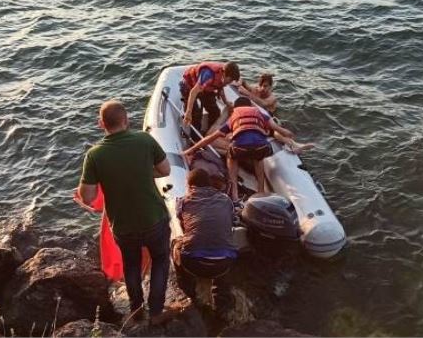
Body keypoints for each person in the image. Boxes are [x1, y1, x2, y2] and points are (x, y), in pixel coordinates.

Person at [76, 100, 183, 326]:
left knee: (131, 265)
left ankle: (136, 312)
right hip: (154, 218)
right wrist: (142, 172)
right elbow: (165, 169)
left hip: (123, 226)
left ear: (101, 124)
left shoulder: (94, 155)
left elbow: (87, 196)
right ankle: (156, 312)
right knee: (160, 260)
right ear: (126, 120)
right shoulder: (144, 140)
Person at [183, 97, 295, 202]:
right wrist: (287, 134)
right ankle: (261, 191)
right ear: (250, 106)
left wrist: (191, 149)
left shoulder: (233, 117)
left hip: (240, 149)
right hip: (262, 148)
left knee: (231, 156)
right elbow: (279, 129)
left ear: (235, 108)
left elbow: (210, 138)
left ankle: (235, 193)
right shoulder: (260, 113)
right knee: (258, 158)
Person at [173, 168, 236, 313]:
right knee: (223, 247)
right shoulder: (226, 200)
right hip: (224, 264)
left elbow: (182, 222)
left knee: (174, 245)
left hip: (194, 264)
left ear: (190, 186)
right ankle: (222, 300)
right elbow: (230, 219)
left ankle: (189, 292)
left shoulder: (184, 202)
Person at [236, 73, 314, 154]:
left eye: (265, 86)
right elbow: (244, 83)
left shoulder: (272, 98)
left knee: (275, 132)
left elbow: (263, 104)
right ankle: (295, 145)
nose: (262, 88)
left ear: (270, 86)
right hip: (261, 117)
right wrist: (240, 82)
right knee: (272, 131)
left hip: (272, 118)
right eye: (261, 85)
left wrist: (247, 93)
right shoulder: (256, 89)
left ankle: (295, 145)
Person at [180, 61, 240, 138]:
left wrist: (226, 102)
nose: (230, 82)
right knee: (196, 115)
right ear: (225, 74)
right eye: (230, 80)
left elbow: (220, 88)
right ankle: (195, 138)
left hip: (206, 88)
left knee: (215, 112)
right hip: (190, 86)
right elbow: (193, 92)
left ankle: (209, 133)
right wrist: (189, 111)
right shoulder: (208, 74)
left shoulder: (222, 77)